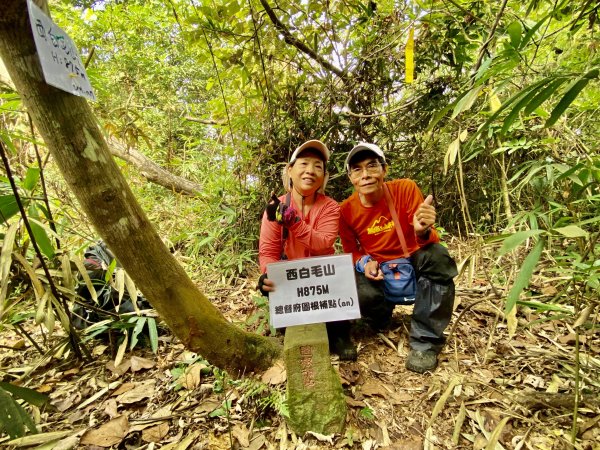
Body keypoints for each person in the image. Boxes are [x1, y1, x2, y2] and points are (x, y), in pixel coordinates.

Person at [338, 142, 458, 373]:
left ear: (385, 169)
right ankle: (379, 316)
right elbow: (350, 251)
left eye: (372, 166)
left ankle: (425, 342)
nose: (366, 175)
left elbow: (429, 238)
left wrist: (421, 230)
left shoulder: (405, 189)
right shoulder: (346, 210)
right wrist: (365, 263)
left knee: (438, 257)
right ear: (350, 177)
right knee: (354, 283)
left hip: (413, 257)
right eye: (357, 169)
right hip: (380, 269)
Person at [257, 140, 357, 360]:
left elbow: (324, 243)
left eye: (318, 166)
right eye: (304, 164)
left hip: (322, 282)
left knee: (341, 282)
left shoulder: (330, 206)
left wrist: (292, 221)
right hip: (291, 282)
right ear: (290, 170)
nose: (310, 171)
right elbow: (268, 251)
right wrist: (267, 273)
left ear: (323, 177)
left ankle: (341, 334)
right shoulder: (276, 207)